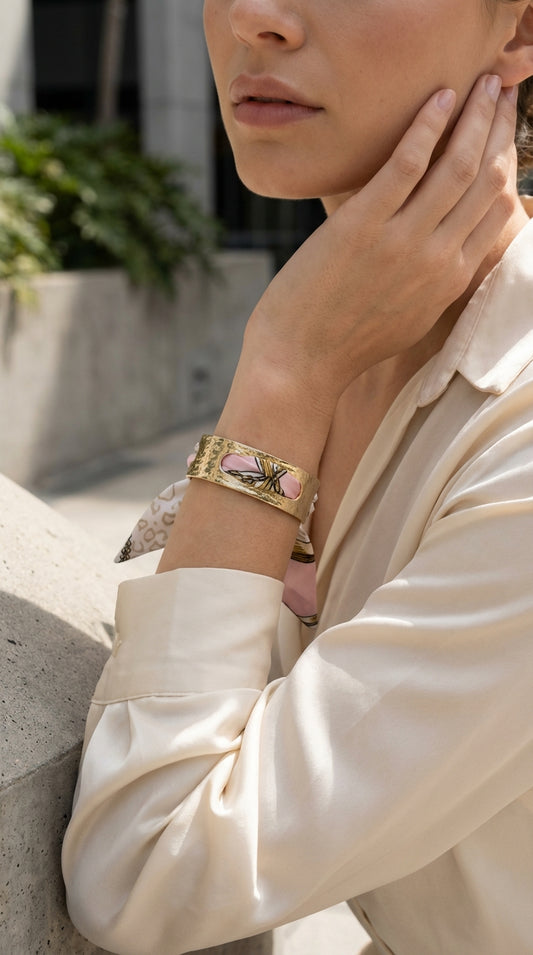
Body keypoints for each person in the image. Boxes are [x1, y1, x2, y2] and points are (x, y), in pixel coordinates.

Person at [62, 2, 533, 953]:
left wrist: (281, 369)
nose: (253, 18)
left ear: (518, 31)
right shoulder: (375, 337)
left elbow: (148, 868)